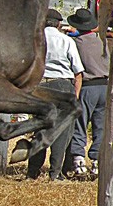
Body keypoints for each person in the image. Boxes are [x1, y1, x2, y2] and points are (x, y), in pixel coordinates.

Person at [27, 9, 83, 181]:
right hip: (63, 85)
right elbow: (78, 72)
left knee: (40, 127)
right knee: (62, 130)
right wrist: (76, 96)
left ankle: (33, 172)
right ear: (59, 24)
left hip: (41, 85)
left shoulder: (34, 41)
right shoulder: (66, 41)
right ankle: (55, 173)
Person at [67, 9, 108, 178]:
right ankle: (97, 161)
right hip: (105, 87)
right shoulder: (102, 41)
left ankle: (78, 161)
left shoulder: (76, 43)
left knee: (80, 124)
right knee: (100, 126)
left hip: (87, 86)